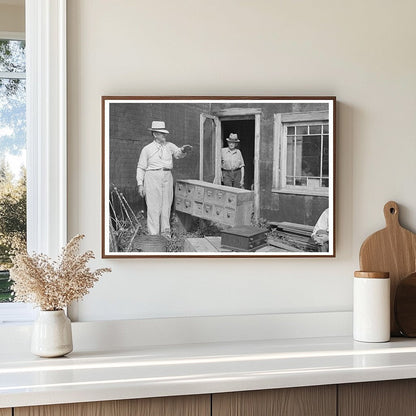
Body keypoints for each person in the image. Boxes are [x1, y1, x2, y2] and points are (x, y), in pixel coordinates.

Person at [136, 121, 192, 236]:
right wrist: (140, 184)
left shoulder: (169, 146)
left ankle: (166, 236)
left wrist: (183, 150)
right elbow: (141, 167)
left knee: (166, 206)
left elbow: (178, 154)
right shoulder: (147, 149)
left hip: (167, 176)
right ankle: (154, 237)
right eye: (161, 133)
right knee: (153, 207)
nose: (164, 135)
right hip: (152, 177)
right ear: (155, 134)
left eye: (164, 133)